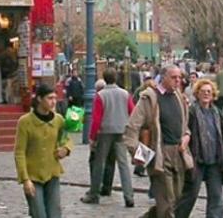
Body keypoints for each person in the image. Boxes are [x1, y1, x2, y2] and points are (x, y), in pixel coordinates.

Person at [124, 64, 193, 218]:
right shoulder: (150, 97)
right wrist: (140, 156)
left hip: (179, 154)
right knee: (167, 203)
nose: (178, 81)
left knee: (174, 199)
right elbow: (131, 129)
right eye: (174, 77)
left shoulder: (179, 97)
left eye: (180, 77)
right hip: (160, 155)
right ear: (163, 77)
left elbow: (185, 126)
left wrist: (186, 137)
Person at [174, 78, 223, 218]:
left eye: (209, 91)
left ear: (213, 94)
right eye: (203, 91)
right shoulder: (191, 112)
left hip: (214, 160)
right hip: (197, 160)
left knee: (216, 197)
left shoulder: (217, 112)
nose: (206, 94)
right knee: (190, 195)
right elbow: (185, 131)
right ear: (197, 93)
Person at [15, 84, 73, 218]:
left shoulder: (58, 119)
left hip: (52, 174)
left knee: (55, 213)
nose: (53, 102)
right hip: (33, 176)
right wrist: (25, 179)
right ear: (39, 99)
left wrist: (66, 149)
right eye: (49, 98)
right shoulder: (25, 122)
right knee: (39, 213)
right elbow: (19, 152)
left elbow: (66, 138)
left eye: (55, 98)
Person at [82, 69, 135, 208]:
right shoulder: (125, 94)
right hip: (121, 131)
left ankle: (94, 194)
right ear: (116, 78)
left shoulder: (100, 95)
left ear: (104, 79)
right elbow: (132, 111)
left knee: (100, 163)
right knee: (123, 164)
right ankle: (129, 196)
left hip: (105, 131)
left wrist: (92, 137)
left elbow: (96, 119)